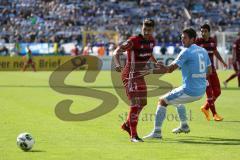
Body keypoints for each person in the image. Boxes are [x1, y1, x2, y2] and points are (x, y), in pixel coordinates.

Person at [143, 28, 212, 139]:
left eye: (185, 38)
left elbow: (170, 69)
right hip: (201, 89)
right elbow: (209, 71)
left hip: (190, 90)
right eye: (181, 37)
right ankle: (184, 125)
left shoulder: (186, 51)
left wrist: (163, 67)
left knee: (162, 101)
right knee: (176, 100)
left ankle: (157, 132)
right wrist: (199, 79)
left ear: (192, 39)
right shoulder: (203, 50)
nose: (182, 40)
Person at [113, 18, 159, 142]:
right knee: (135, 103)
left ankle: (127, 125)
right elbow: (116, 51)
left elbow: (149, 53)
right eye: (145, 29)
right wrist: (117, 64)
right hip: (130, 75)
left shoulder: (152, 41)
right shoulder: (133, 41)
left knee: (143, 102)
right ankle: (133, 135)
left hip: (139, 75)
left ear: (153, 30)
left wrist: (155, 62)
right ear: (142, 27)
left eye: (149, 30)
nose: (146, 31)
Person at [196, 24, 227, 121]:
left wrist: (222, 61)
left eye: (205, 31)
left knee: (217, 92)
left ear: (209, 32)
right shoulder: (197, 42)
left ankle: (205, 107)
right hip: (202, 72)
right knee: (209, 93)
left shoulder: (213, 41)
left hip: (212, 69)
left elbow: (215, 52)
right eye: (202, 31)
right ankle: (214, 114)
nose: (203, 33)